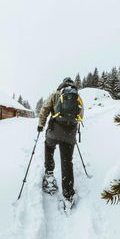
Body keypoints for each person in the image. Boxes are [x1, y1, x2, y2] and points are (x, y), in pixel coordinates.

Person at [37, 77, 84, 206]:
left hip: (54, 132)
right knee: (67, 161)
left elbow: (44, 109)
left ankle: (50, 176)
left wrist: (41, 125)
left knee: (49, 147)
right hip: (69, 136)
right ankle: (68, 194)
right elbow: (81, 116)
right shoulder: (77, 98)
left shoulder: (55, 95)